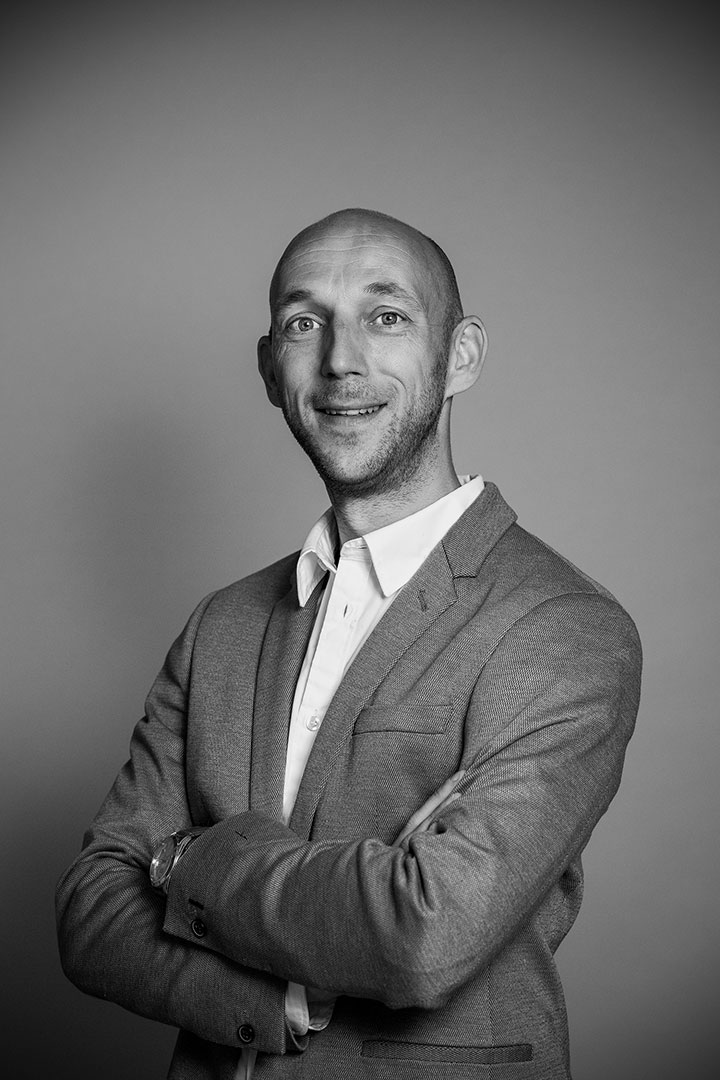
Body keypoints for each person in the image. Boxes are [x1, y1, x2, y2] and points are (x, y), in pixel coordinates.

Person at [56, 208, 642, 1080]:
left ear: (462, 355)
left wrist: (186, 860)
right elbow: (92, 910)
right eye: (305, 324)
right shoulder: (222, 625)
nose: (340, 360)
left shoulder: (564, 627)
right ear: (270, 370)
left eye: (387, 316)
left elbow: (425, 931)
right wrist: (275, 998)